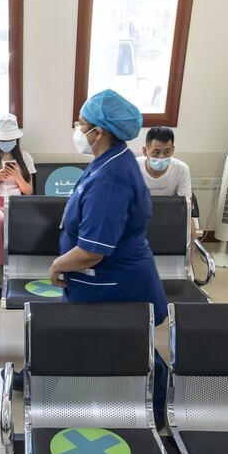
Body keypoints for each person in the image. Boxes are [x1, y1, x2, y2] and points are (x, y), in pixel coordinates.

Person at [51, 89, 169, 427]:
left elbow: (92, 251)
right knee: (78, 335)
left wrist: (58, 264)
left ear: (98, 132)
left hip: (115, 283)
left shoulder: (112, 178)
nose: (78, 131)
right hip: (109, 279)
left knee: (131, 344)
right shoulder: (111, 160)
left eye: (81, 125)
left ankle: (158, 408)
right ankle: (39, 375)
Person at [0, 112, 36, 264]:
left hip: (15, 203)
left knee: (7, 218)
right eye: (3, 139)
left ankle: (6, 264)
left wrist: (17, 176)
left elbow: (29, 191)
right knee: (0, 219)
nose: (7, 142)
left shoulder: (25, 157)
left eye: (10, 139)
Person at [136, 126, 197, 238]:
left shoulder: (182, 169)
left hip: (169, 214)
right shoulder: (133, 167)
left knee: (191, 229)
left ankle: (187, 255)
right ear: (145, 151)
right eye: (156, 152)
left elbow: (185, 205)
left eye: (167, 152)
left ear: (173, 149)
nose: (162, 157)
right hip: (139, 215)